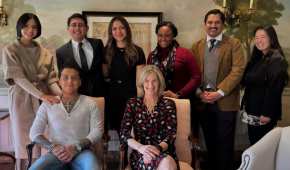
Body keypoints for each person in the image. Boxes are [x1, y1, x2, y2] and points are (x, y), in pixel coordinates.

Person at [2, 13, 61, 170]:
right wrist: (42, 95)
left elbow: (51, 79)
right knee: (24, 142)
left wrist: (61, 95)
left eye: (34, 27)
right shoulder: (10, 50)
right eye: (26, 26)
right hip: (22, 99)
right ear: (20, 27)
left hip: (45, 101)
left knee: (45, 139)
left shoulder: (46, 53)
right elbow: (19, 78)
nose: (30, 30)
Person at [192, 9, 246, 170]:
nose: (213, 26)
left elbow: (238, 70)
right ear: (205, 24)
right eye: (210, 22)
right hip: (203, 101)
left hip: (226, 102)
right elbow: (192, 73)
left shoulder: (234, 44)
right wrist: (199, 93)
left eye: (217, 22)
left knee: (225, 143)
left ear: (223, 25)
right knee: (209, 141)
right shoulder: (197, 46)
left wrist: (219, 92)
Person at [29, 66, 104, 170]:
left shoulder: (90, 104)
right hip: (56, 154)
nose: (70, 81)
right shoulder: (48, 104)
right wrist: (53, 147)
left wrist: (77, 147)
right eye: (65, 77)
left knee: (93, 167)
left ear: (80, 82)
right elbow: (34, 133)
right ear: (59, 82)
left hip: (82, 152)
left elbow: (97, 131)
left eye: (74, 78)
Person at [147, 21, 201, 136]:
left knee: (181, 137)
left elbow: (196, 77)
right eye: (160, 35)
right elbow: (148, 79)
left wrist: (178, 94)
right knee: (160, 136)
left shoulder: (185, 53)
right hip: (158, 104)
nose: (163, 38)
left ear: (173, 36)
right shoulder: (152, 56)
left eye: (167, 35)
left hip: (181, 102)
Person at [120, 65, 177, 170]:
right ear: (142, 83)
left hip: (163, 151)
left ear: (160, 83)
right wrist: (141, 148)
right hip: (140, 153)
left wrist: (155, 149)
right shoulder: (133, 103)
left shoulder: (169, 104)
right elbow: (124, 134)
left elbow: (171, 135)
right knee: (165, 164)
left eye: (154, 81)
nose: (150, 85)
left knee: (167, 162)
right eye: (146, 80)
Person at [241, 25, 289, 145]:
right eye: (256, 37)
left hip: (263, 113)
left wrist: (267, 113)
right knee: (255, 144)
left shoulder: (277, 59)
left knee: (262, 148)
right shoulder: (258, 58)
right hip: (253, 110)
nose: (259, 40)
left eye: (263, 37)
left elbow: (274, 89)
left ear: (271, 38)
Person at [103, 16, 145, 132]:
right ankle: (122, 150)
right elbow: (105, 76)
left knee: (131, 129)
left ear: (127, 30)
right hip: (112, 96)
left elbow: (140, 81)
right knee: (117, 129)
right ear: (111, 32)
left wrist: (139, 102)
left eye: (122, 28)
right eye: (114, 29)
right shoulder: (105, 51)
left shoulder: (138, 51)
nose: (118, 32)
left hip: (131, 96)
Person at [56, 13, 106, 97]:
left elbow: (104, 67)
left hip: (100, 94)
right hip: (76, 96)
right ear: (68, 29)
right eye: (73, 25)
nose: (77, 28)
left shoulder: (97, 44)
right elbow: (63, 77)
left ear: (87, 28)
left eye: (81, 25)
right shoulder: (61, 52)